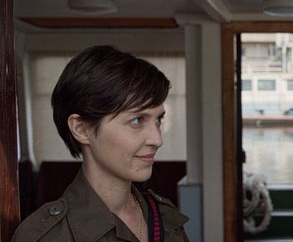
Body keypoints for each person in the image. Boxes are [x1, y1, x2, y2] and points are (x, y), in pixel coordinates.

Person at [12, 46, 189, 241]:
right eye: (137, 120)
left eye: (158, 120)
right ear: (81, 129)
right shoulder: (46, 236)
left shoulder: (164, 217)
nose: (157, 140)